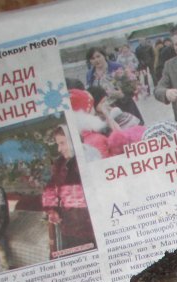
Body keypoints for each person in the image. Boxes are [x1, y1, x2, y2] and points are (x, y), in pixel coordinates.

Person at [43, 126, 96, 255]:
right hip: (67, 228)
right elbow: (50, 189)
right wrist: (52, 210)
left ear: (73, 141)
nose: (59, 149)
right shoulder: (59, 164)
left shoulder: (89, 158)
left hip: (89, 230)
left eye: (62, 143)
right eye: (58, 144)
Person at [86, 47, 143, 124]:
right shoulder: (90, 74)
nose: (96, 60)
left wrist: (122, 94)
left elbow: (132, 86)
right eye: (92, 58)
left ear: (104, 56)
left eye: (98, 56)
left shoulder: (117, 67)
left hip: (124, 105)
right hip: (106, 111)